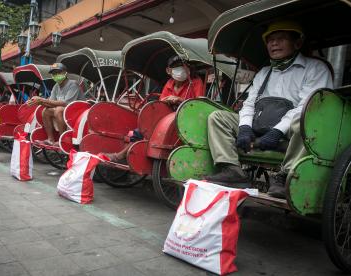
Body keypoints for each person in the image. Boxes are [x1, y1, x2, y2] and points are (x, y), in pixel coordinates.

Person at [204, 20, 334, 198]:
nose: (274, 43)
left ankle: (286, 175)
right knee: (217, 117)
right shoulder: (264, 72)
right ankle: (232, 169)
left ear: (297, 43)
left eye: (281, 38)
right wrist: (244, 127)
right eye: (270, 40)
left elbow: (307, 106)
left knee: (304, 118)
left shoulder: (316, 69)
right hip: (260, 123)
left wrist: (277, 131)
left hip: (292, 131)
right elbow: (250, 103)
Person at [104, 56, 205, 161]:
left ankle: (119, 156)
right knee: (141, 130)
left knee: (149, 130)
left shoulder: (196, 82)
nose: (180, 69)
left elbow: (198, 105)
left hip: (185, 120)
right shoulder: (169, 83)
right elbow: (161, 104)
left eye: (182, 66)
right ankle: (126, 154)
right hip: (167, 119)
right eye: (176, 67)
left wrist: (179, 100)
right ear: (168, 71)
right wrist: (167, 100)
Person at [27, 63, 84, 145]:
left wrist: (42, 100)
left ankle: (63, 140)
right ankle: (50, 139)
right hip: (64, 112)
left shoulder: (73, 84)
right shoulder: (56, 86)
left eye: (58, 72)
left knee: (58, 110)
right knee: (46, 111)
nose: (56, 75)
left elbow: (66, 103)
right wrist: (38, 102)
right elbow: (51, 102)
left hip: (77, 112)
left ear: (65, 72)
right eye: (54, 73)